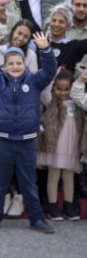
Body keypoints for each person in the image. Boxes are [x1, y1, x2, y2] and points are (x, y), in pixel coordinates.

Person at [0, 26, 56, 234]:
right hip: (2, 140)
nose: (14, 66)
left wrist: (46, 50)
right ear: (4, 66)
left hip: (26, 141)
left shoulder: (34, 81)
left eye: (18, 63)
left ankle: (36, 219)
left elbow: (49, 71)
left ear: (25, 64)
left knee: (28, 183)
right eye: (10, 63)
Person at [39, 70, 82, 221]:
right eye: (59, 89)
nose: (62, 93)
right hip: (55, 147)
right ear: (54, 88)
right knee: (53, 176)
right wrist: (51, 77)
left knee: (69, 176)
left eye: (66, 89)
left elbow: (80, 94)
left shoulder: (77, 103)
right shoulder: (51, 101)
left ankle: (69, 207)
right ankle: (53, 207)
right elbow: (43, 92)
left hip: (71, 146)